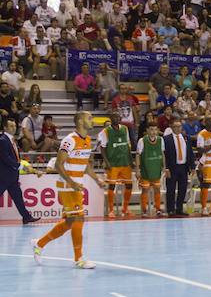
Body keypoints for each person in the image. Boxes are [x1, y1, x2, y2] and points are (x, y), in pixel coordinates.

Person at [32, 112, 107, 269]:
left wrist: (97, 180)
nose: (92, 120)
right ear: (80, 121)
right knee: (79, 219)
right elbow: (59, 165)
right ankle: (78, 259)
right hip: (67, 186)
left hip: (75, 185)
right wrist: (72, 183)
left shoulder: (87, 140)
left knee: (69, 222)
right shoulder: (69, 140)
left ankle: (39, 244)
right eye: (89, 118)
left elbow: (86, 165)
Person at [1, 119, 38, 224]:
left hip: (12, 176)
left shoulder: (12, 140)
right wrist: (20, 166)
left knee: (18, 198)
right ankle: (26, 217)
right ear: (5, 128)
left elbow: (13, 157)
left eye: (14, 125)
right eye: (11, 126)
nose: (14, 128)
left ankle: (26, 217)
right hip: (4, 176)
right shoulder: (3, 140)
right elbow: (6, 158)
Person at [98, 113, 133, 217]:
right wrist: (106, 162)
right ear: (110, 119)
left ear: (120, 118)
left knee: (129, 185)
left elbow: (128, 144)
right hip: (113, 163)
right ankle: (111, 210)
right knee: (112, 185)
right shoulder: (105, 131)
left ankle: (125, 209)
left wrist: (131, 159)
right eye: (113, 117)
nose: (116, 119)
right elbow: (102, 148)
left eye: (118, 117)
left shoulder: (125, 129)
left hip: (125, 162)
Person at [164, 119, 194, 216]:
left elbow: (190, 153)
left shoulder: (186, 138)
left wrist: (192, 166)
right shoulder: (166, 139)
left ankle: (179, 208)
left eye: (179, 126)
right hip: (172, 167)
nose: (177, 128)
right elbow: (165, 154)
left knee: (182, 189)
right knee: (171, 189)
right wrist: (166, 168)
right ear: (172, 128)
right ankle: (170, 209)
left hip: (184, 167)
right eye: (175, 126)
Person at [135, 121, 165, 217]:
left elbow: (162, 153)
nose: (153, 131)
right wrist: (137, 169)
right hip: (145, 170)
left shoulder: (161, 140)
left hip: (156, 168)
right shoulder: (142, 140)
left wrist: (164, 166)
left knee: (157, 189)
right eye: (151, 129)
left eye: (155, 129)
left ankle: (158, 209)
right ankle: (144, 210)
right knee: (145, 190)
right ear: (147, 130)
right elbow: (138, 155)